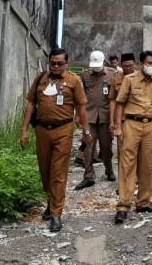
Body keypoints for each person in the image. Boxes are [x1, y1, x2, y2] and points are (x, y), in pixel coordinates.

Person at [20, 48, 92, 232]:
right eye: (53, 63)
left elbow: (81, 108)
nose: (56, 66)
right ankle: (50, 203)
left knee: (58, 172)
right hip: (42, 130)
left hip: (63, 130)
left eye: (60, 63)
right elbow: (30, 104)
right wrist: (24, 129)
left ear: (67, 64)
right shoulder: (40, 79)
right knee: (45, 171)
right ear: (49, 62)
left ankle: (56, 215)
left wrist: (86, 131)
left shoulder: (74, 81)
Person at [113, 50, 152, 224]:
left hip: (150, 126)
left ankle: (143, 202)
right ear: (141, 64)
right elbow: (120, 104)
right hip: (132, 124)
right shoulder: (130, 80)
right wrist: (118, 127)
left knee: (147, 165)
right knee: (127, 164)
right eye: (149, 63)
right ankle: (123, 205)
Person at [75, 51, 118, 190]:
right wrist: (78, 115)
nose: (96, 67)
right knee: (88, 146)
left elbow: (115, 97)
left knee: (106, 147)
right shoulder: (85, 75)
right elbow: (80, 97)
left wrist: (115, 119)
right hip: (89, 116)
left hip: (106, 116)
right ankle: (88, 176)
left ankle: (109, 170)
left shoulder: (113, 74)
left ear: (104, 62)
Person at [109, 53, 138, 163]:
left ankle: (135, 176)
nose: (128, 68)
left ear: (135, 64)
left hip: (136, 118)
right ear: (121, 65)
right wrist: (112, 121)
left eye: (131, 65)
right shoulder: (116, 80)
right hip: (122, 119)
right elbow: (112, 100)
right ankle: (123, 177)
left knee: (136, 148)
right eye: (125, 66)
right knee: (122, 149)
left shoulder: (140, 78)